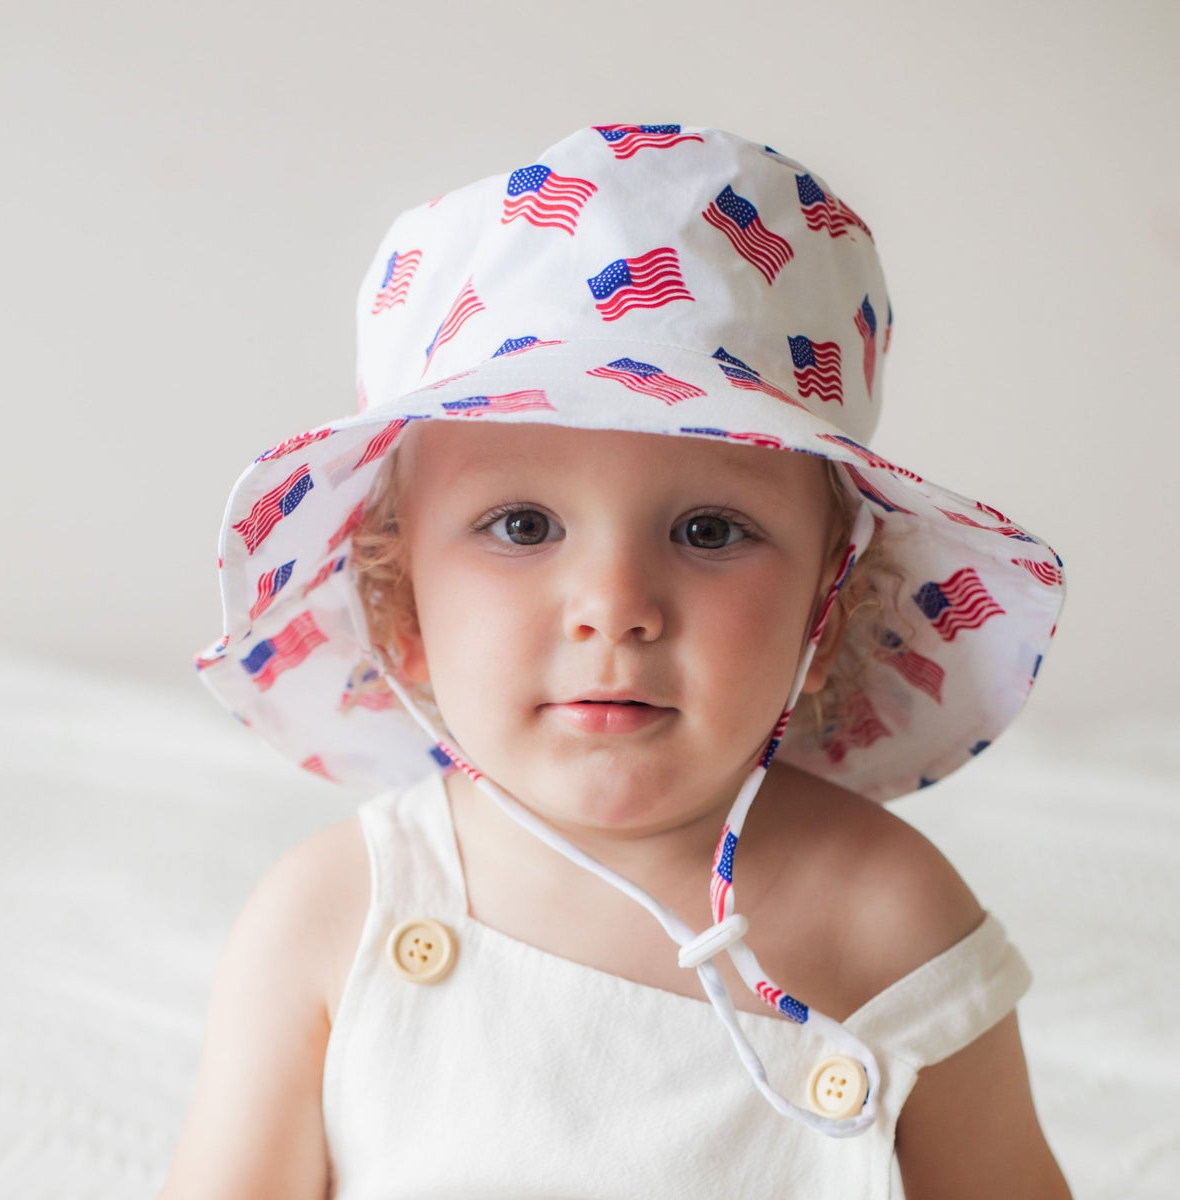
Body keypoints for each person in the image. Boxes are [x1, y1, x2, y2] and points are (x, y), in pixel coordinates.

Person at [161, 124, 1073, 1198]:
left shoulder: (889, 915)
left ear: (830, 609)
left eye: (709, 532)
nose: (615, 608)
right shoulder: (334, 916)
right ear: (397, 603)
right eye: (520, 525)